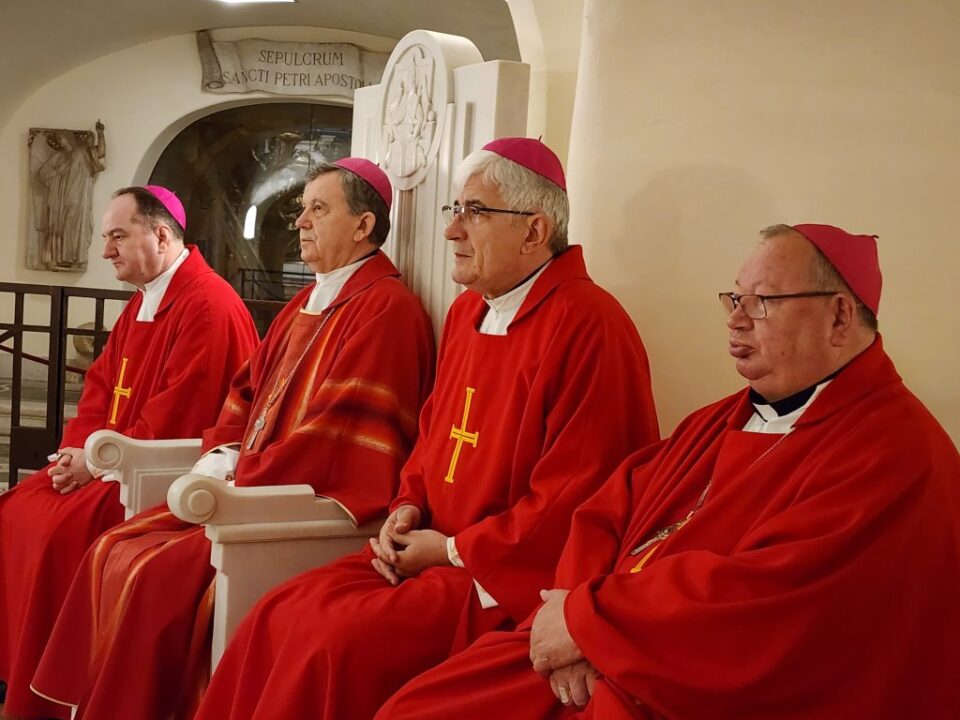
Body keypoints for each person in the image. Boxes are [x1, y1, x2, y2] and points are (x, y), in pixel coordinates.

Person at [375, 223, 960, 720]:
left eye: (762, 302)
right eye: (733, 300)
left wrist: (587, 623)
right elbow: (606, 508)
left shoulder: (895, 453)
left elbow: (773, 606)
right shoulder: (721, 420)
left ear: (839, 316)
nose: (736, 321)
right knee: (419, 704)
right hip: (603, 650)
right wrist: (572, 609)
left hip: (686, 686)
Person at [193, 137, 661, 720]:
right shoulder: (470, 312)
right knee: (275, 611)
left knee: (330, 643)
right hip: (426, 548)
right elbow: (435, 434)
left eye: (475, 213)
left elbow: (578, 495)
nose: (451, 231)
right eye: (454, 211)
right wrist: (408, 505)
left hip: (499, 581)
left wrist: (453, 550)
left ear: (535, 232)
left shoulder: (592, 326)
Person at [31, 158, 436, 720]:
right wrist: (223, 453)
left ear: (364, 225)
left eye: (319, 209)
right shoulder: (307, 301)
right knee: (111, 549)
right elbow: (245, 393)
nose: (300, 222)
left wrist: (240, 473)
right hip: (249, 484)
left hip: (293, 504)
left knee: (150, 574)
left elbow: (338, 433)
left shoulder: (385, 309)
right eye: (301, 209)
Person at [0, 185, 258, 719]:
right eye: (105, 238)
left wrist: (94, 463)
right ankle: (17, 677)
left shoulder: (207, 306)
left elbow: (178, 418)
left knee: (52, 531)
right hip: (109, 463)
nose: (106, 251)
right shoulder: (147, 300)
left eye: (118, 236)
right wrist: (76, 451)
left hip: (152, 478)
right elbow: (99, 388)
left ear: (161, 235)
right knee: (16, 508)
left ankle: (53, 694)